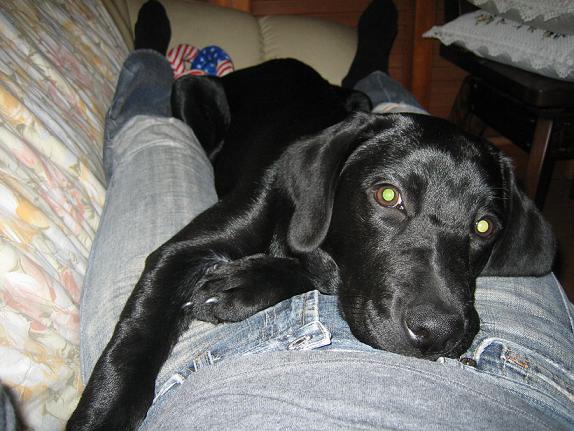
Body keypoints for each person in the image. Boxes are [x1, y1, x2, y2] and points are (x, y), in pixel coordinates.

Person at [76, 0, 574, 429]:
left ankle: (367, 74)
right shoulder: (294, 181)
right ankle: (150, 57)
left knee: (401, 126)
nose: (439, 311)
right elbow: (178, 258)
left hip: (334, 112)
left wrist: (292, 275)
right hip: (236, 105)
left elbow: (533, 250)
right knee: (170, 118)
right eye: (390, 197)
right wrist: (111, 410)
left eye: (481, 225)